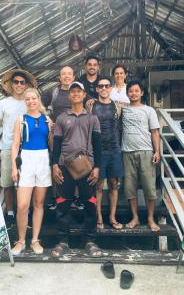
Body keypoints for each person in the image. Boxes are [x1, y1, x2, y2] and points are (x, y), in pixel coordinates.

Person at [52, 81, 102, 257]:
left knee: (89, 203)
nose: (75, 94)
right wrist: (54, 165)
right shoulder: (61, 118)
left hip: (87, 167)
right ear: (69, 95)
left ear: (83, 95)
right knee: (63, 203)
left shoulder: (92, 118)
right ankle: (62, 241)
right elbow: (56, 144)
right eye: (72, 91)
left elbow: (98, 145)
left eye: (78, 91)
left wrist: (97, 168)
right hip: (64, 166)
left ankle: (90, 240)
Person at [0, 69, 36, 225]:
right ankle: (9, 213)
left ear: (26, 84)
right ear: (11, 84)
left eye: (22, 82)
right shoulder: (3, 103)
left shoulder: (30, 101)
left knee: (26, 182)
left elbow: (39, 116)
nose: (19, 85)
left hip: (29, 148)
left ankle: (26, 213)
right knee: (8, 182)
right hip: (8, 146)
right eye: (16, 82)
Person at [11, 88, 52, 255]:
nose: (31, 101)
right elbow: (15, 145)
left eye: (33, 98)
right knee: (22, 205)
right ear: (25, 101)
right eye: (27, 99)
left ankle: (35, 240)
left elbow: (51, 143)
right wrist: (14, 166)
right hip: (26, 160)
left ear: (38, 99)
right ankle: (21, 240)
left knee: (39, 203)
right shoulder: (21, 119)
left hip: (43, 160)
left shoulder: (47, 119)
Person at [42, 66, 84, 210]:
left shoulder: (78, 91)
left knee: (77, 163)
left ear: (73, 77)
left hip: (76, 134)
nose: (66, 76)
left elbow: (91, 102)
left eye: (69, 74)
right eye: (63, 74)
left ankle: (76, 198)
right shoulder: (53, 92)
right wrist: (48, 118)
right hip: (57, 134)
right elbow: (39, 105)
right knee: (56, 163)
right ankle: (55, 197)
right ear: (60, 77)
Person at [121, 80, 160, 231]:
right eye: (130, 91)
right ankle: (135, 217)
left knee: (149, 187)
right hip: (127, 152)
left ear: (142, 93)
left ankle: (150, 218)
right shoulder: (123, 110)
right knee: (130, 187)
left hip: (146, 151)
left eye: (136, 91)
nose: (133, 93)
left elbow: (155, 132)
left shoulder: (149, 110)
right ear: (127, 93)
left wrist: (156, 151)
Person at [90, 76, 124, 230]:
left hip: (114, 149)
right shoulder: (91, 106)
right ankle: (98, 217)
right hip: (98, 151)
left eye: (106, 86)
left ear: (110, 88)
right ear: (97, 89)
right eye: (101, 86)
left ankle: (112, 216)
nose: (104, 89)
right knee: (98, 185)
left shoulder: (117, 106)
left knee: (114, 184)